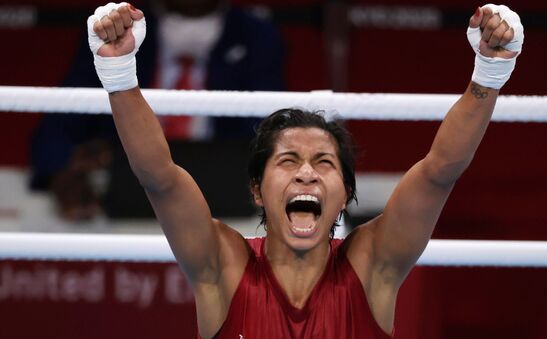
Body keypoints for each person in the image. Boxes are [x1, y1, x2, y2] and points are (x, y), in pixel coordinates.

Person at [87, 2, 523, 338]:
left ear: (346, 192)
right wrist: (118, 71)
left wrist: (490, 70)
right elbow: (160, 178)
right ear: (257, 190)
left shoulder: (373, 265)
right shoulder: (223, 265)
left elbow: (438, 172)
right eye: (288, 160)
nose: (307, 174)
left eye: (324, 162)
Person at [30, 0, 285, 221]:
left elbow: (268, 133)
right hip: (122, 204)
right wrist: (61, 172)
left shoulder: (256, 35)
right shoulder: (118, 28)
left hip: (225, 208)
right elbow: (60, 121)